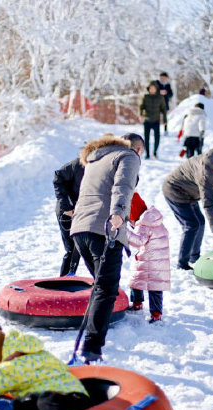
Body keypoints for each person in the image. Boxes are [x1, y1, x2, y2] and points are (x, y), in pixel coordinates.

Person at [70, 133, 142, 362]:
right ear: (138, 149)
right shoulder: (128, 156)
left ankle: (92, 341)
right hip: (105, 229)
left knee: (101, 287)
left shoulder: (95, 159)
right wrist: (119, 214)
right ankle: (92, 348)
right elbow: (123, 186)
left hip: (81, 230)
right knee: (105, 289)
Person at [162, 148, 213, 270]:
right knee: (191, 225)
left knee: (200, 222)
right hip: (175, 190)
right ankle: (182, 264)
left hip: (190, 192)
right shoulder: (207, 174)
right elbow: (209, 204)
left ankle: (194, 257)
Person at [126, 192, 170, 323]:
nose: (131, 225)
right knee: (154, 287)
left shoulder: (143, 225)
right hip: (158, 261)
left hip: (147, 259)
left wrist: (124, 231)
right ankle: (156, 313)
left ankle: (137, 304)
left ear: (133, 217)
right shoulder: (155, 221)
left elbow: (138, 241)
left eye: (130, 222)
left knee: (136, 281)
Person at [53, 157, 85, 276]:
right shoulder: (78, 164)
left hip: (83, 211)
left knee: (82, 247)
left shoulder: (102, 166)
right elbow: (58, 177)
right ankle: (65, 279)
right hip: (67, 211)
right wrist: (67, 207)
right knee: (72, 248)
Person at [139, 82, 167, 159]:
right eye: (151, 88)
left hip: (156, 120)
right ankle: (147, 154)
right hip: (147, 120)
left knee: (157, 138)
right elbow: (141, 106)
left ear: (156, 89)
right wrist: (141, 114)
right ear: (149, 89)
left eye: (154, 88)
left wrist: (165, 120)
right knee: (146, 138)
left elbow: (163, 109)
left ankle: (155, 152)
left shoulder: (160, 97)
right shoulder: (145, 96)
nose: (152, 90)